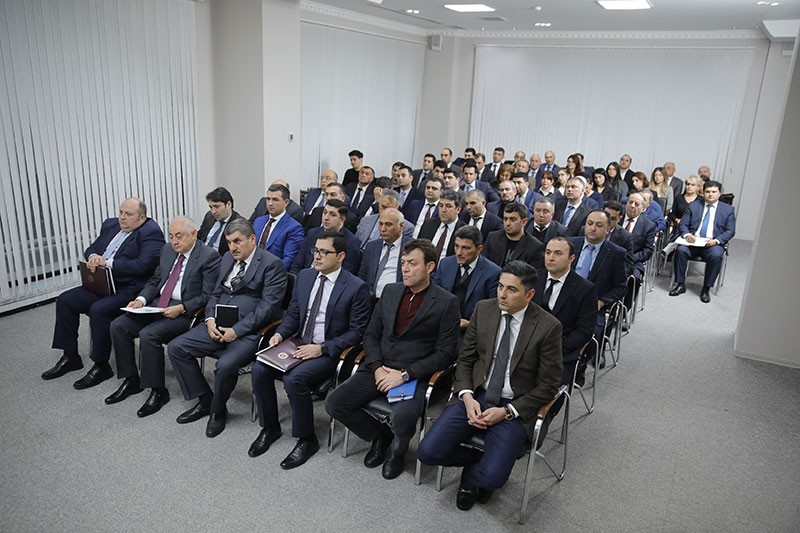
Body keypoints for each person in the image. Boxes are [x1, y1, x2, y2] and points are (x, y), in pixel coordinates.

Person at [416, 261, 563, 511]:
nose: (502, 294)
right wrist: (467, 396)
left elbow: (549, 385)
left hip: (515, 406)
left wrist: (507, 412)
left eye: (511, 289)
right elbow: (466, 360)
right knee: (427, 452)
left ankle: (472, 478)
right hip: (477, 395)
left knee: (493, 479)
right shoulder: (484, 309)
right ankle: (479, 460)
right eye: (500, 286)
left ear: (529, 295)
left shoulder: (548, 327)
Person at [325, 239, 461, 480]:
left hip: (413, 375)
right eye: (403, 263)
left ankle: (397, 452)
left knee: (402, 417)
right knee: (335, 403)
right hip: (379, 367)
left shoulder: (446, 302)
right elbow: (371, 334)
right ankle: (380, 435)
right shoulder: (391, 291)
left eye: (412, 264)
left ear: (430, 267)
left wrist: (406, 374)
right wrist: (377, 367)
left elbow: (446, 354)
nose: (405, 269)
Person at [249, 231, 371, 468]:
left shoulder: (356, 287)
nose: (317, 256)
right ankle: (270, 427)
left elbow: (357, 333)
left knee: (294, 380)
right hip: (297, 342)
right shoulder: (305, 276)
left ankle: (307, 438)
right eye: (316, 250)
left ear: (341, 256)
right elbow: (294, 314)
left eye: (324, 252)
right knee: (259, 369)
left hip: (328, 351)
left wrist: (322, 348)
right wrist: (279, 334)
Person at [167, 219, 288, 437]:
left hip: (249, 332)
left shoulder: (272, 264)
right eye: (229, 242)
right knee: (177, 348)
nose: (233, 247)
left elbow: (267, 310)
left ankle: (217, 411)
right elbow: (215, 294)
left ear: (252, 239)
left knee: (224, 365)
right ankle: (206, 400)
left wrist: (237, 330)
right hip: (217, 323)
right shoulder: (227, 258)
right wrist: (209, 319)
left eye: (237, 241)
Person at [43, 198, 164, 387]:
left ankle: (101, 365)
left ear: (142, 217)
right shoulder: (111, 225)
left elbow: (142, 265)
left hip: (129, 289)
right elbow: (92, 248)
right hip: (102, 284)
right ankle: (70, 356)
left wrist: (107, 263)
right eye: (121, 212)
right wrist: (93, 257)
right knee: (66, 300)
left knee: (99, 310)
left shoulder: (151, 233)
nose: (122, 217)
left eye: (128, 214)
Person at [107, 216, 221, 416]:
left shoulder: (209, 256)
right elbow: (156, 280)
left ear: (193, 234)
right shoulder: (167, 250)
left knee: (149, 335)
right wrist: (141, 300)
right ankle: (131, 379)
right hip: (157, 305)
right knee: (119, 326)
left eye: (179, 236)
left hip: (185, 313)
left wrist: (182, 308)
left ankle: (158, 391)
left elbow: (208, 295)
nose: (174, 241)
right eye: (171, 236)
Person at [533, 237, 597, 391]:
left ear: (571, 258)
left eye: (558, 253)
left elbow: (584, 331)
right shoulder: (534, 278)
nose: (551, 257)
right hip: (527, 347)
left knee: (545, 391)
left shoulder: (585, 289)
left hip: (561, 352)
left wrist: (553, 348)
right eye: (548, 252)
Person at [669, 180, 735, 303]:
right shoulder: (694, 205)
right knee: (681, 250)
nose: (710, 194)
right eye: (708, 192)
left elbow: (730, 231)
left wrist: (716, 241)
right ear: (703, 192)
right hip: (693, 242)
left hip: (712, 243)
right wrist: (687, 234)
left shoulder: (728, 210)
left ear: (719, 193)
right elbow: (683, 224)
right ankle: (680, 284)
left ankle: (706, 288)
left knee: (716, 256)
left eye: (714, 192)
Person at [432, 225, 501, 331]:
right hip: (442, 325)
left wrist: (470, 324)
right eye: (456, 246)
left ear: (479, 249)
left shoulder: (493, 273)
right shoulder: (445, 264)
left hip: (473, 330)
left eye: (465, 248)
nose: (459, 252)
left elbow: (493, 311)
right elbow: (434, 296)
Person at [290, 199, 361, 275]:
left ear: (342, 219)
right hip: (305, 276)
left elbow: (347, 274)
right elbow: (297, 264)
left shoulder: (351, 242)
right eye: (325, 212)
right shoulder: (312, 233)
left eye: (332, 214)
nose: (326, 218)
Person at [358, 208, 409, 300]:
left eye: (388, 224)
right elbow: (362, 275)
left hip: (397, 300)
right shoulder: (371, 247)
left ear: (401, 226)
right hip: (370, 299)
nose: (383, 229)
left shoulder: (411, 247)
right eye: (381, 224)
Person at [252, 184, 305, 270]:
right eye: (268, 199)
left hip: (272, 272)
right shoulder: (258, 221)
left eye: (275, 200)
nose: (270, 203)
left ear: (286, 202)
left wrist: (266, 272)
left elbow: (288, 259)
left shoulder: (294, 228)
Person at [482, 203, 544, 269]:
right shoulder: (493, 238)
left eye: (512, 219)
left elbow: (533, 274)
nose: (507, 223)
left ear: (524, 222)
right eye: (505, 219)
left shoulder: (535, 247)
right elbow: (483, 265)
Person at [418, 189, 465, 261]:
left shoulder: (463, 231)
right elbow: (419, 249)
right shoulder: (428, 225)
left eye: (448, 206)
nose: (443, 210)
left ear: (458, 209)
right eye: (441, 205)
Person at [197, 187, 243, 255]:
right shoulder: (209, 216)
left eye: (217, 207)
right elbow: (200, 236)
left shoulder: (239, 224)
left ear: (228, 205)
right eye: (211, 207)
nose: (213, 212)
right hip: (200, 255)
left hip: (219, 259)